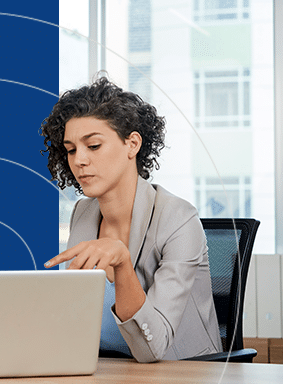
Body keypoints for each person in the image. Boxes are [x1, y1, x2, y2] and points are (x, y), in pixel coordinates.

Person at [40, 77, 222, 362]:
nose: (79, 161)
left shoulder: (178, 219)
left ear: (132, 144)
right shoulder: (83, 213)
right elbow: (77, 314)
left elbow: (152, 348)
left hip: (176, 373)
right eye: (71, 149)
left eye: (94, 146)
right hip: (103, 369)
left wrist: (122, 263)